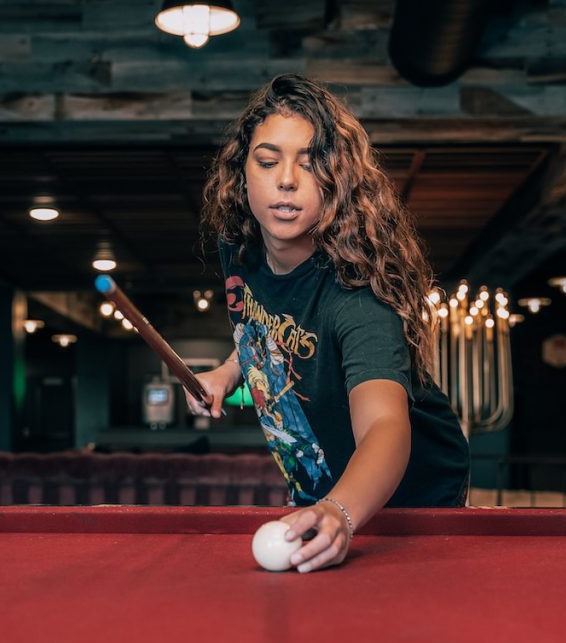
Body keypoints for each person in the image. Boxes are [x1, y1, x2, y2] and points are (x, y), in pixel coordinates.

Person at [184, 74, 469, 573]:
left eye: (311, 163)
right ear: (243, 172)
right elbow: (262, 326)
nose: (287, 179)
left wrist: (340, 510)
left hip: (408, 494)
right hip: (321, 486)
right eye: (268, 161)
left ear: (337, 179)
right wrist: (227, 375)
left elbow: (384, 425)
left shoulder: (359, 298)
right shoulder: (241, 252)